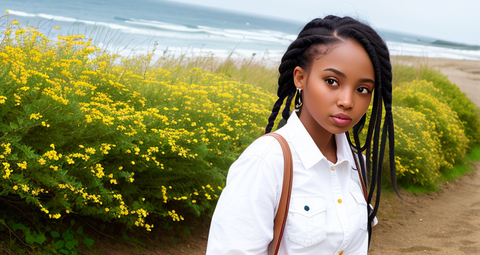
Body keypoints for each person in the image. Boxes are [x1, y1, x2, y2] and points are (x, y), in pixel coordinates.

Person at [206, 15, 396, 254]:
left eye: (362, 89)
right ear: (300, 77)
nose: (347, 101)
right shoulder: (265, 163)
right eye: (332, 81)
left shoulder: (356, 164)